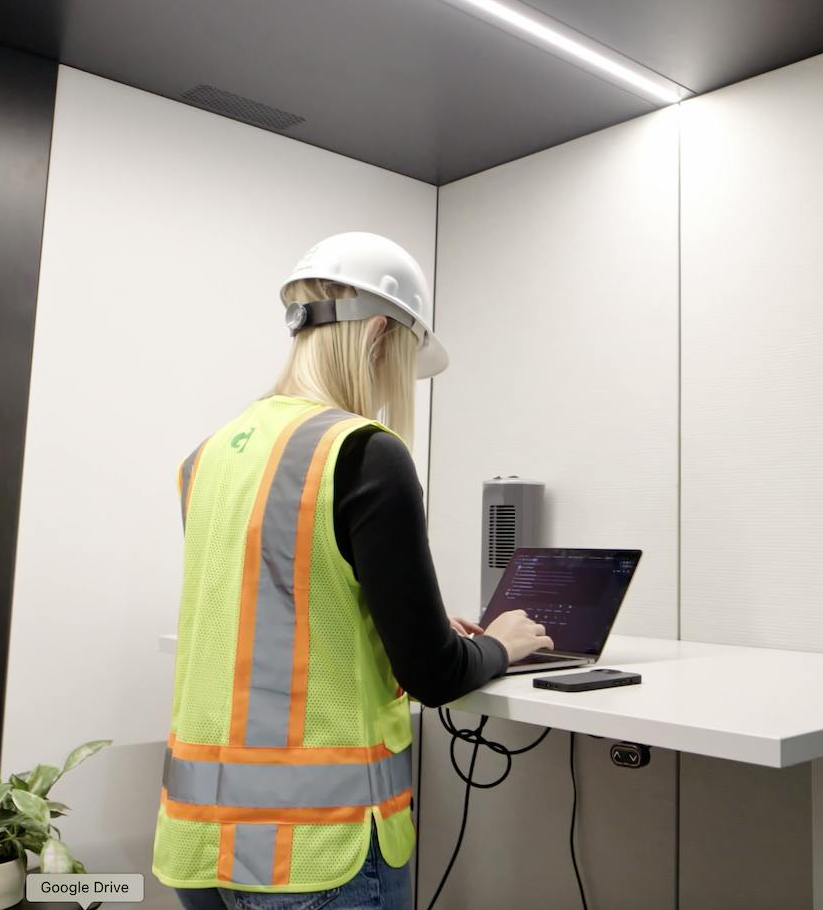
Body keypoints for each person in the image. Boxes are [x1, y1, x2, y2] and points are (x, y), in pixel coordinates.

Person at [153, 232, 553, 909]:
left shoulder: (208, 456)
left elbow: (281, 611)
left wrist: (391, 619)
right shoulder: (363, 451)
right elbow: (434, 674)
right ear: (377, 334)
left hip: (199, 847)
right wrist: (499, 643)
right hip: (314, 850)